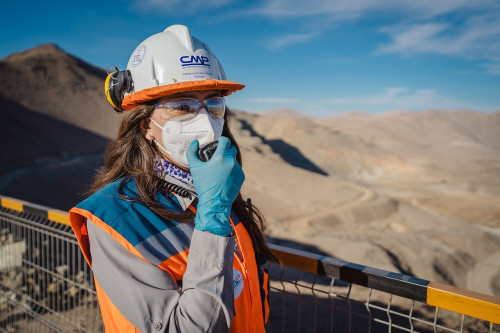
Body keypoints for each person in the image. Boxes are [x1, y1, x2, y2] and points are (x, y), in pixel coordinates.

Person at [69, 24, 275, 333]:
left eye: (214, 104)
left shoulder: (221, 193)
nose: (206, 125)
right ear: (145, 126)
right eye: (182, 106)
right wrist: (214, 213)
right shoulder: (114, 220)